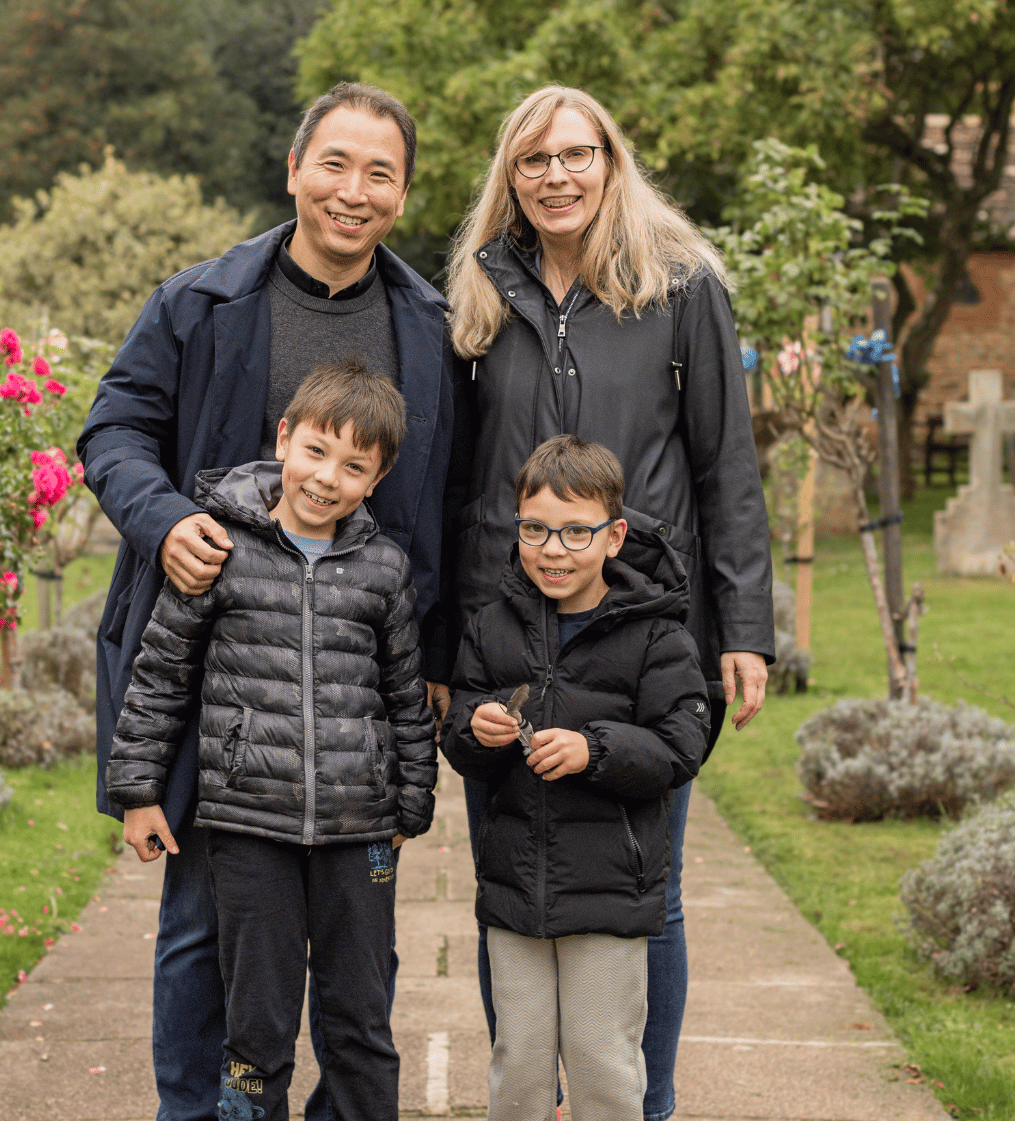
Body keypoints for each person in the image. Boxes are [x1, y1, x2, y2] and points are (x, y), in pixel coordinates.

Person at [78, 82, 457, 1121]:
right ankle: (196, 1112)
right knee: (205, 929)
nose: (353, 191)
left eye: (380, 174)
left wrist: (432, 657)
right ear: (294, 170)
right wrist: (163, 520)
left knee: (354, 957)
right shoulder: (198, 302)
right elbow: (112, 433)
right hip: (211, 667)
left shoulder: (429, 325)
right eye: (335, 164)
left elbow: (448, 502)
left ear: (404, 195)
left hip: (349, 686)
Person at [443, 85, 774, 1121]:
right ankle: (527, 1099)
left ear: (611, 161)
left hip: (646, 635)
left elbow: (726, 466)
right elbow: (454, 483)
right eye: (534, 160)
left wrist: (747, 629)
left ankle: (645, 1103)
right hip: (506, 629)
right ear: (512, 173)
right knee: (515, 884)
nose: (557, 177)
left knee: (647, 896)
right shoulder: (476, 293)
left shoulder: (682, 289)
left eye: (576, 155)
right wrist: (440, 652)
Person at [105, 360, 438, 1121]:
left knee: (361, 1022)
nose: (327, 478)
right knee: (256, 1027)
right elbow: (160, 674)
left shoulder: (384, 570)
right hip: (248, 828)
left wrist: (410, 801)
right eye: (317, 451)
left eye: (354, 466)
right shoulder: (218, 548)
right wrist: (138, 794)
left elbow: (404, 695)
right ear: (284, 439)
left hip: (361, 832)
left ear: (377, 476)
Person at [440, 434, 709, 1121]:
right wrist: (478, 729)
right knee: (519, 1066)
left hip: (610, 895)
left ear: (614, 536)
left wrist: (596, 750)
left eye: (575, 532)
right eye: (535, 530)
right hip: (514, 891)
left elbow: (681, 747)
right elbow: (460, 735)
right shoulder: (491, 625)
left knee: (604, 1065)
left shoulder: (657, 634)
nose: (552, 549)